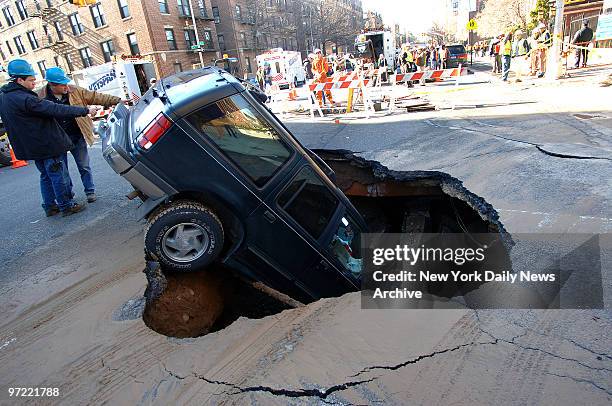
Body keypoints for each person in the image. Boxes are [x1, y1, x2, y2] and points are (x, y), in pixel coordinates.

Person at [0, 59, 98, 217]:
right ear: (19, 80)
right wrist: (84, 110)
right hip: (46, 144)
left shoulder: (4, 97)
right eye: (31, 80)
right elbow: (54, 109)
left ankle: (50, 206)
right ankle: (66, 205)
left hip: (31, 146)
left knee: (45, 175)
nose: (34, 83)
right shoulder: (26, 99)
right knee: (58, 174)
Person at [38, 67, 122, 203]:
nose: (66, 86)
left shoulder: (75, 91)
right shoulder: (40, 97)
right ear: (52, 85)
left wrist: (117, 100)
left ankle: (90, 191)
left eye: (66, 82)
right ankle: (68, 195)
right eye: (62, 84)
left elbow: (96, 97)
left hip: (77, 135)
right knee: (62, 171)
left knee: (84, 165)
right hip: (57, 140)